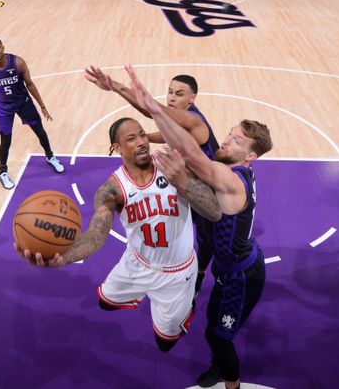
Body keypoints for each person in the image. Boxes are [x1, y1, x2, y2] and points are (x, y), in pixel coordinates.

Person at [125, 65, 271, 389]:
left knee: (219, 337)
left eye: (236, 141)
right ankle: (219, 366)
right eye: (231, 134)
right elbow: (189, 147)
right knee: (212, 329)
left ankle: (230, 383)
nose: (227, 140)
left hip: (242, 276)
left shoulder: (231, 179)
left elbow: (191, 151)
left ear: (250, 156)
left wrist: (147, 104)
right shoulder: (232, 169)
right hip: (230, 266)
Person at [22, 117, 222, 352]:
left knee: (165, 343)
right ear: (116, 148)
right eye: (131, 138)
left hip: (177, 273)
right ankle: (136, 294)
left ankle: (185, 306)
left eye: (142, 135)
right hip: (137, 263)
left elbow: (215, 212)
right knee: (105, 303)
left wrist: (183, 182)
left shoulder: (175, 166)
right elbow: (96, 235)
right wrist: (63, 257)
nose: (141, 142)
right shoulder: (112, 190)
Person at [84, 67, 220, 296]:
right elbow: (166, 129)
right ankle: (165, 271)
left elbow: (153, 111)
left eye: (179, 94)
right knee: (174, 228)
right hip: (189, 182)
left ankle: (199, 276)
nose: (172, 97)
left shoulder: (196, 121)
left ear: (192, 99)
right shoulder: (182, 119)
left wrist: (116, 86)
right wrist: (144, 137)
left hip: (209, 190)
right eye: (170, 92)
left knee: (207, 240)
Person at [0, 37, 64, 188]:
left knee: (40, 131)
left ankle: (50, 156)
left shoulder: (18, 62)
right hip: (3, 107)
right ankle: (3, 173)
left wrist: (42, 106)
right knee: (5, 140)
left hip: (23, 103)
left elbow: (29, 84)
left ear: (3, 47)